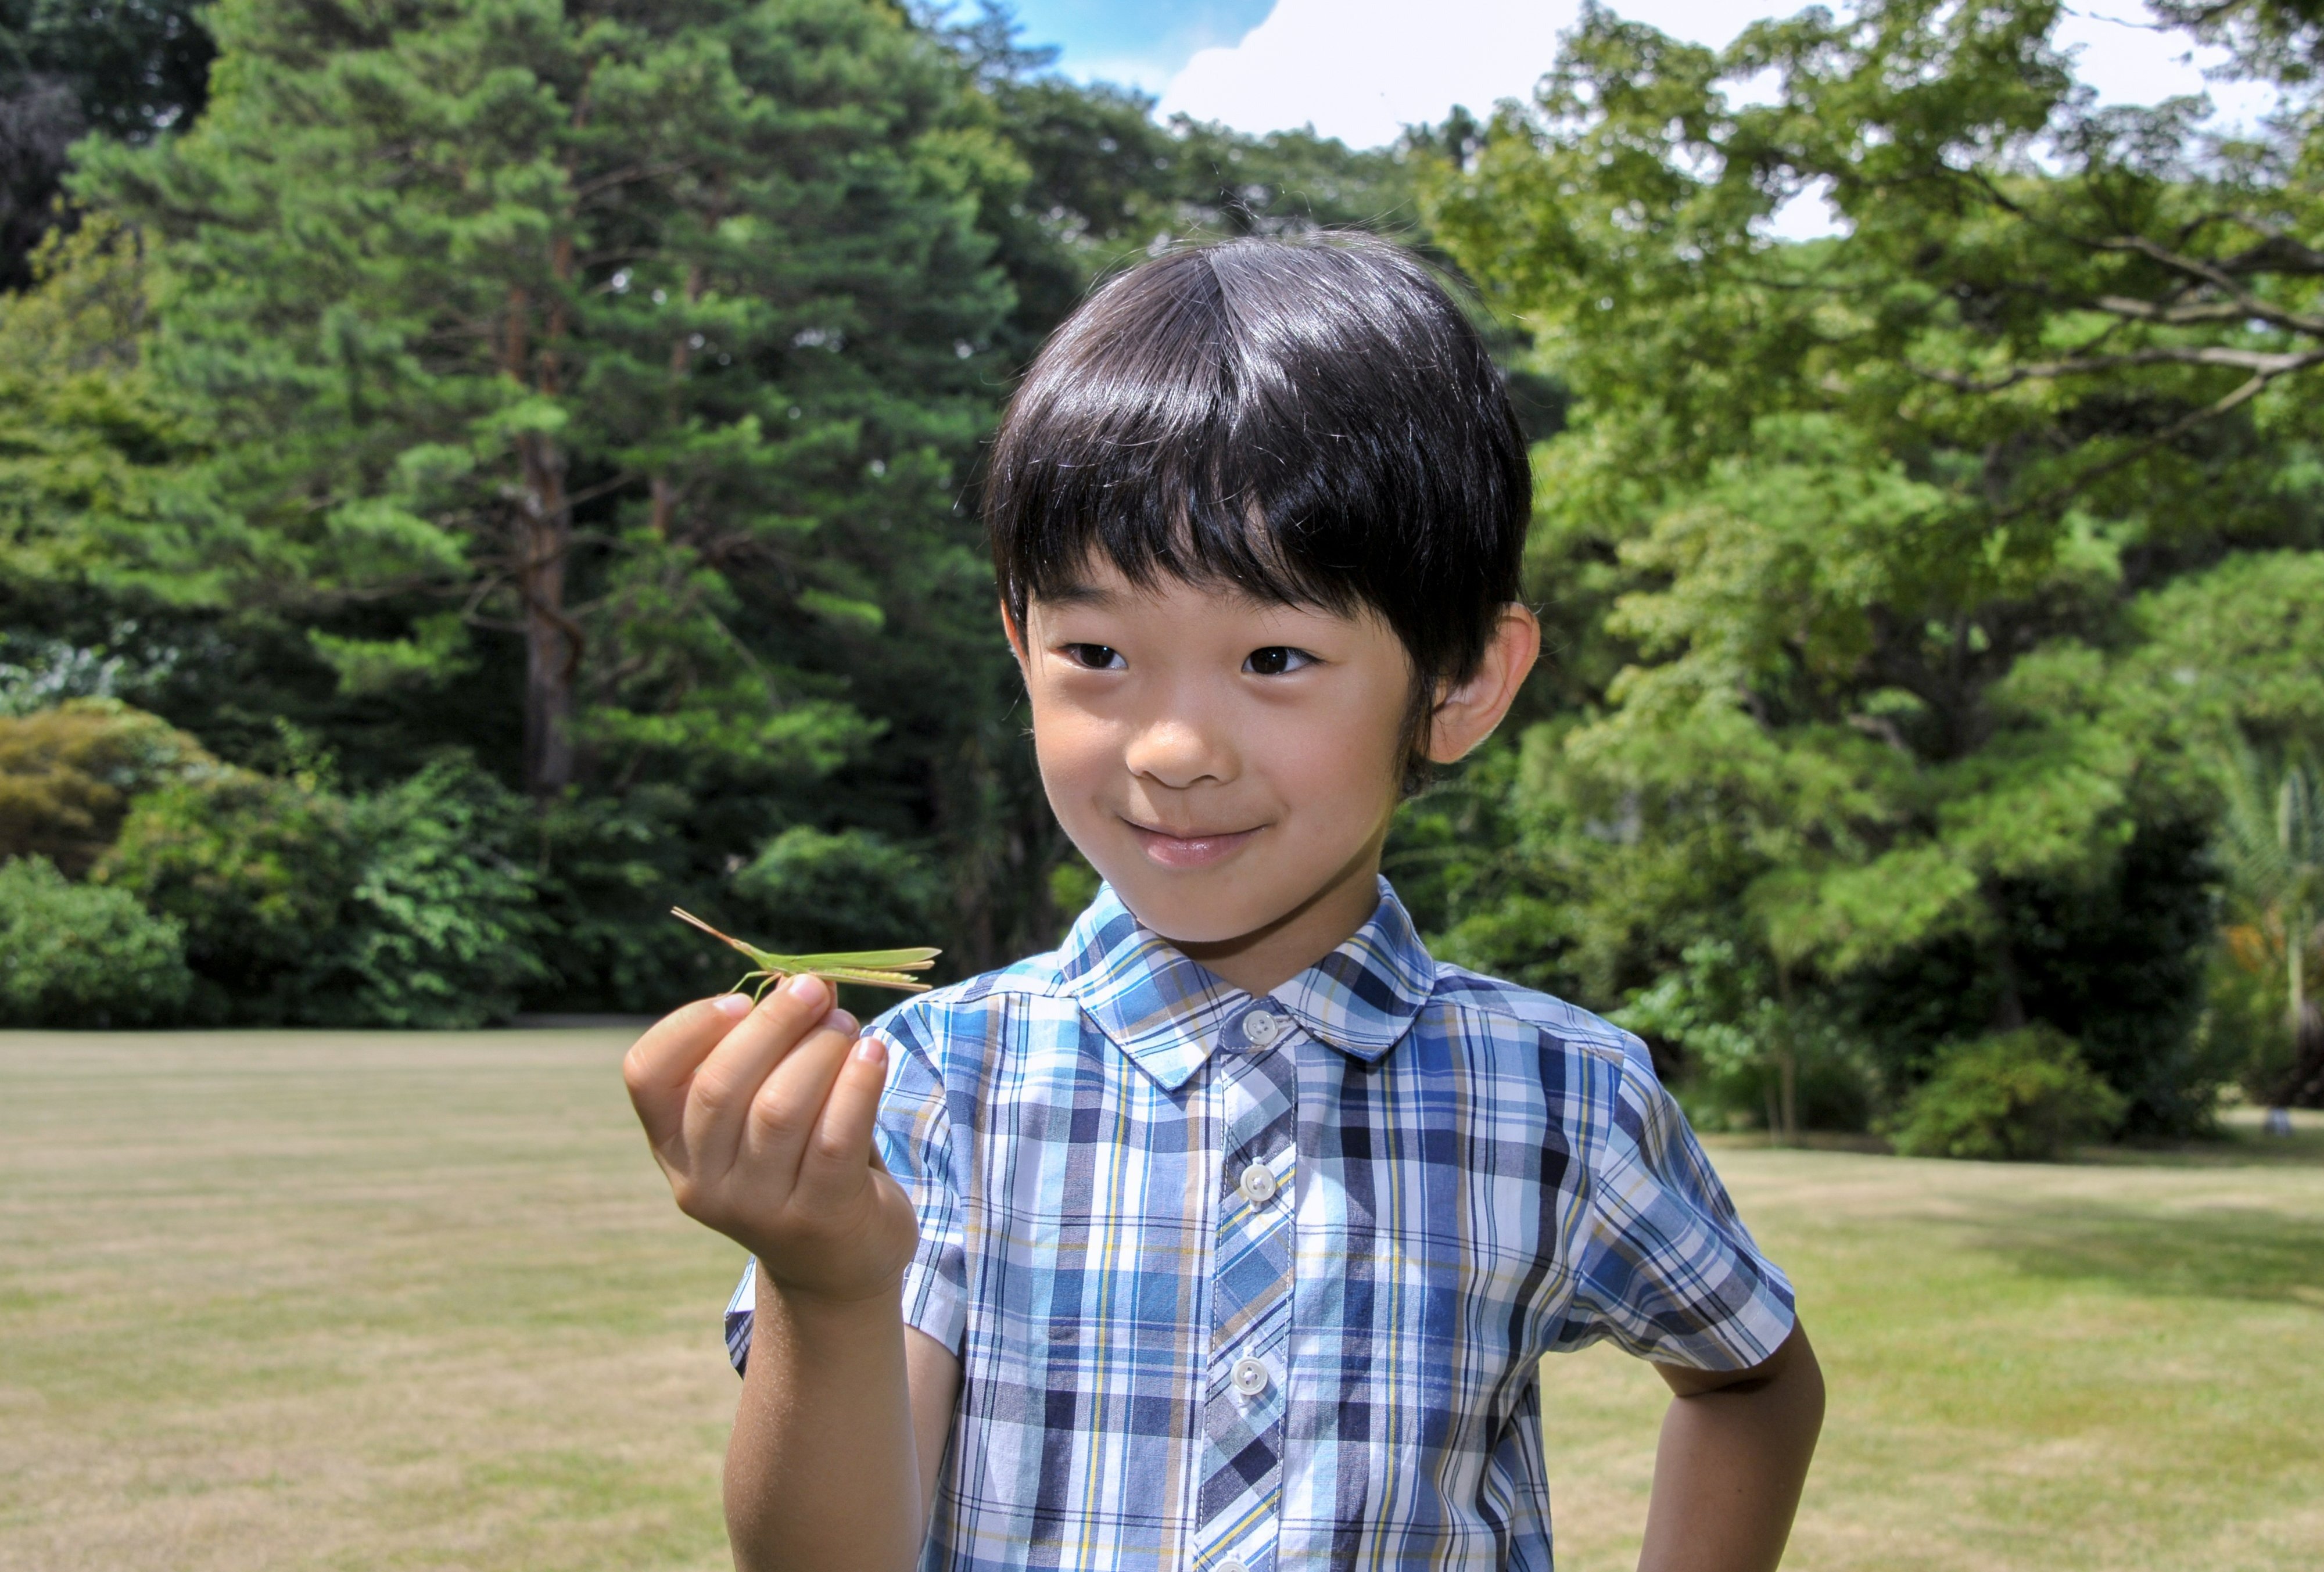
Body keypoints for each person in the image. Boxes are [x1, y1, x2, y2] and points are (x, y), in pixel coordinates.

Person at [622, 235, 1824, 1572]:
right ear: (1020, 646)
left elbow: (1753, 1378)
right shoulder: (929, 1085)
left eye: (1272, 655)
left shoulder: (1562, 1096)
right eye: (1096, 652)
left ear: (1463, 682)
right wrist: (825, 1285)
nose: (1169, 747)